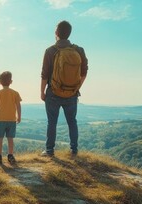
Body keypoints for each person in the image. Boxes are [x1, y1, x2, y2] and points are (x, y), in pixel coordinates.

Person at [40, 20, 89, 157]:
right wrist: (76, 88)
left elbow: (44, 74)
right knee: (72, 122)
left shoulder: (50, 51)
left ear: (56, 32)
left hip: (53, 92)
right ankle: (74, 150)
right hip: (72, 93)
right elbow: (84, 73)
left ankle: (49, 150)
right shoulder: (79, 50)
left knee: (52, 122)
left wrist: (42, 92)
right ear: (69, 33)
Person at [0, 71, 22, 165]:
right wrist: (19, 116)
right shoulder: (15, 93)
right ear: (11, 81)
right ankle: (10, 155)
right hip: (12, 119)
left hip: (0, 119)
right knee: (10, 139)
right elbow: (18, 106)